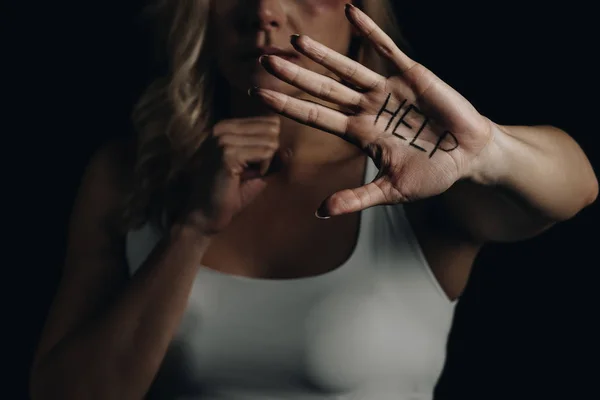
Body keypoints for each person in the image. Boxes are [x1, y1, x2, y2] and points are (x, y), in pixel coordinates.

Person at [29, 1, 598, 399]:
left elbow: (574, 187)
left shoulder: (411, 183)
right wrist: (192, 230)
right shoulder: (129, 175)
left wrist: (488, 151)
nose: (265, 10)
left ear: (360, 15)